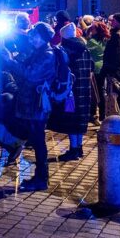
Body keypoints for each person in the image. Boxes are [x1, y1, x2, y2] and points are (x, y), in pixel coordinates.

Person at [4, 21, 57, 191]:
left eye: (35, 36)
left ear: (42, 38)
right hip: (30, 102)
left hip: (37, 104)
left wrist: (11, 62)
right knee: (35, 138)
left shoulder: (47, 55)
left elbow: (30, 74)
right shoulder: (38, 52)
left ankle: (42, 178)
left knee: (38, 140)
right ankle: (40, 177)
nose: (32, 38)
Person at [47, 22, 94, 160]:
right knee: (80, 119)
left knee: (70, 118)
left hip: (70, 93)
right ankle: (79, 148)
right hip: (84, 89)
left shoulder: (64, 50)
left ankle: (73, 149)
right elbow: (91, 68)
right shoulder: (85, 49)